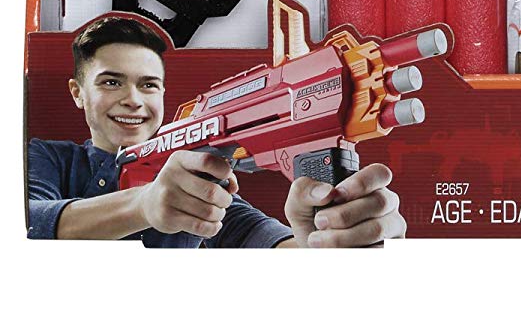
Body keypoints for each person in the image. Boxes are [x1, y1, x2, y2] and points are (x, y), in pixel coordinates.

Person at [28, 13, 406, 247]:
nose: (133, 100)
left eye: (149, 85)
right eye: (111, 82)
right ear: (77, 92)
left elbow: (266, 242)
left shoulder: (200, 188)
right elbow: (27, 223)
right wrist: (143, 205)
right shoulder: (47, 157)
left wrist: (328, 242)